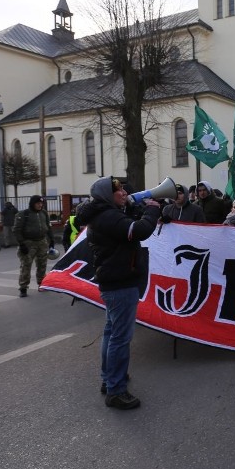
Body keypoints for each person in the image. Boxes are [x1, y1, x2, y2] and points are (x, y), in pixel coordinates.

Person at [79, 176, 161, 410]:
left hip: (115, 279)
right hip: (120, 281)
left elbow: (128, 227)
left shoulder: (105, 214)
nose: (124, 192)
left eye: (124, 188)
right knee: (120, 338)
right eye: (118, 190)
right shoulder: (107, 216)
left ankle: (109, 379)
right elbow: (139, 231)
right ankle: (116, 390)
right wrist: (152, 211)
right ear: (107, 195)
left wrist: (137, 209)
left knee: (111, 332)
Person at [13, 195, 54, 297]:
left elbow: (48, 226)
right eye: (38, 203)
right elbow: (17, 230)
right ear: (32, 203)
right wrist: (22, 244)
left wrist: (51, 239)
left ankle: (41, 283)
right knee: (26, 265)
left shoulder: (43, 213)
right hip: (28, 242)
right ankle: (23, 287)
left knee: (42, 264)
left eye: (41, 203)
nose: (40, 205)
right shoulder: (24, 214)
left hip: (42, 242)